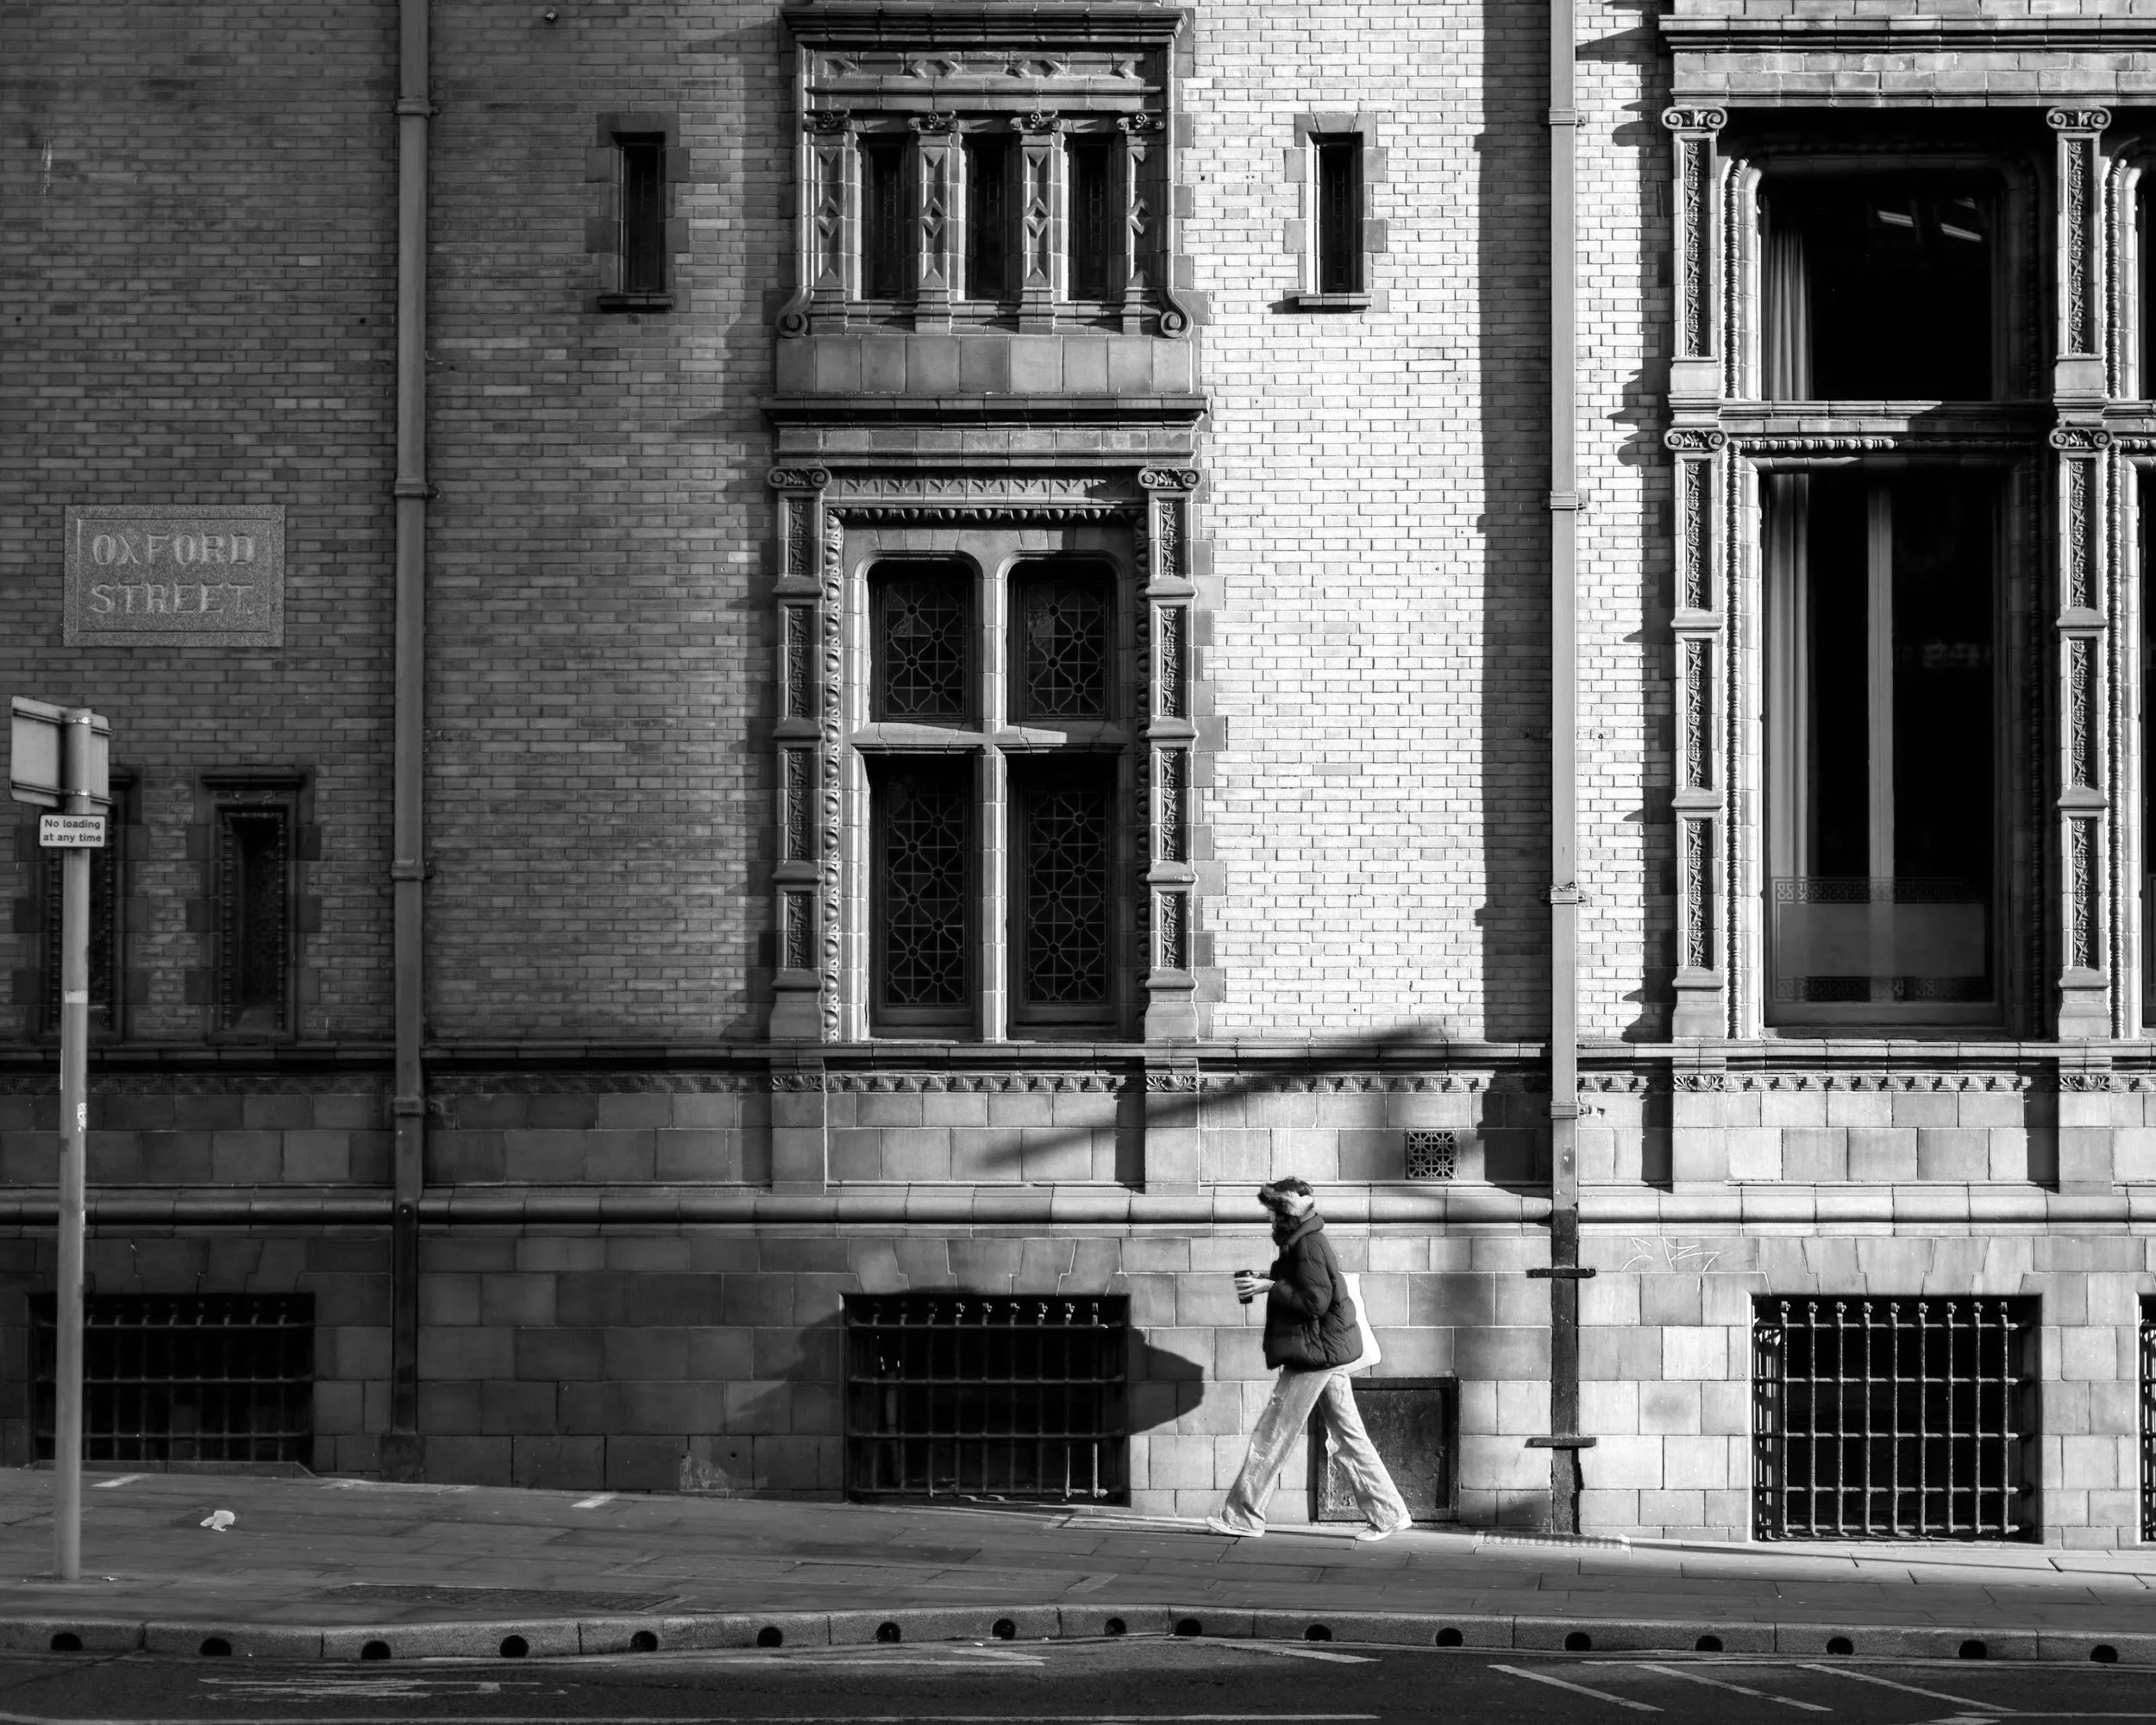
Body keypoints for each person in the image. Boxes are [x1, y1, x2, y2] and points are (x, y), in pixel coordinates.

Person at [1205, 1176, 1413, 1541]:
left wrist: (1271, 1287)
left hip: (1313, 1355)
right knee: (1348, 1435)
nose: (1270, 1220)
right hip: (1323, 1353)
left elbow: (1315, 1302)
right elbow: (1307, 1285)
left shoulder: (1309, 1245)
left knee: (1273, 1434)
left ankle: (1242, 1516)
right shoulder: (1304, 1241)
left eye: (1274, 1213)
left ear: (1287, 1213)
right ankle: (1389, 1512)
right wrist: (1268, 1278)